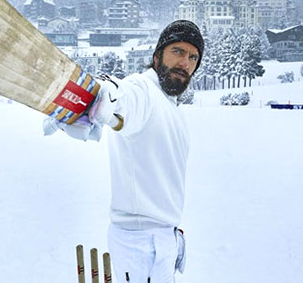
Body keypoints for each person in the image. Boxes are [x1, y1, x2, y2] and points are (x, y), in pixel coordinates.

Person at [45, 20, 204, 283]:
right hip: (139, 243)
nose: (185, 62)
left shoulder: (170, 106)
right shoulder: (144, 91)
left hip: (164, 238)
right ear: (157, 57)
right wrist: (100, 98)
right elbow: (122, 97)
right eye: (177, 51)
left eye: (193, 56)